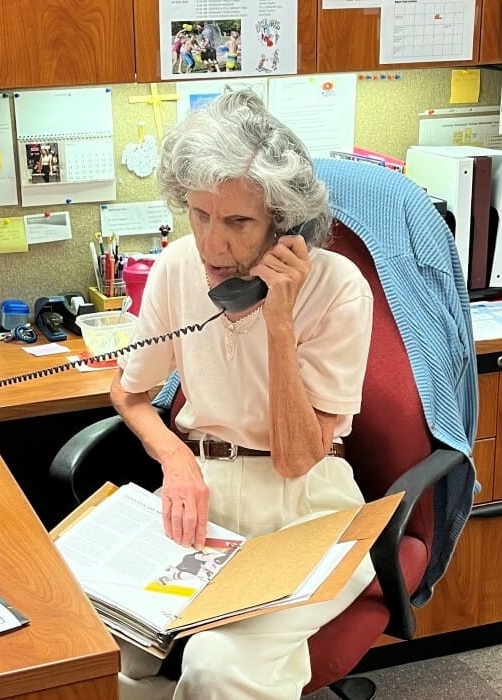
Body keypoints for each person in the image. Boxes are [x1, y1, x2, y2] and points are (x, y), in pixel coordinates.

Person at [111, 89, 375, 699]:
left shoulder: (338, 289)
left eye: (237, 222)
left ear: (284, 226)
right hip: (203, 501)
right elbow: (129, 392)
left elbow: (296, 460)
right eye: (199, 215)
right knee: (106, 630)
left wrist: (277, 321)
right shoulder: (178, 266)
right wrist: (175, 459)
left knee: (214, 662)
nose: (211, 245)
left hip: (307, 511)